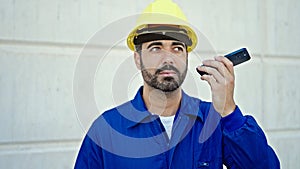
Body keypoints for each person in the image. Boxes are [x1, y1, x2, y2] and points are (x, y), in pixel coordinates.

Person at [74, 0, 280, 168]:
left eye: (177, 48)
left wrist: (228, 110)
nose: (168, 58)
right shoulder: (106, 129)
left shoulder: (214, 120)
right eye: (156, 48)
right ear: (138, 59)